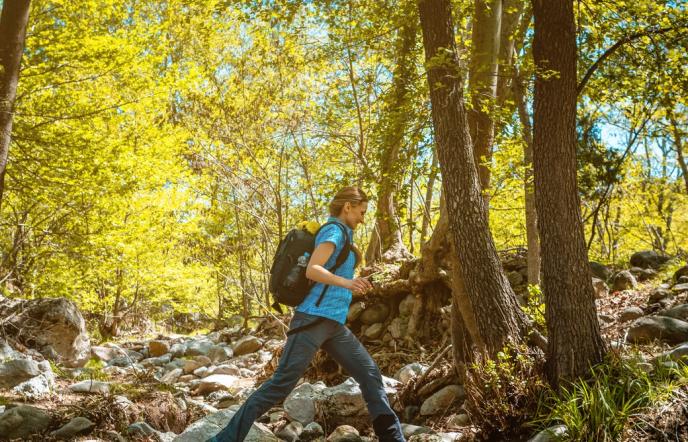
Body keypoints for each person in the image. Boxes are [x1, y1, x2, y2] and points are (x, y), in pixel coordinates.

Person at [207, 186, 405, 442]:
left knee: (369, 374)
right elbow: (313, 270)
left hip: (332, 323)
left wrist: (354, 280)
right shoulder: (333, 231)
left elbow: (329, 274)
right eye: (361, 211)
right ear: (348, 207)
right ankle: (223, 440)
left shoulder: (344, 233)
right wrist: (348, 284)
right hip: (312, 320)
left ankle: (393, 439)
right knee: (280, 385)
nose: (363, 218)